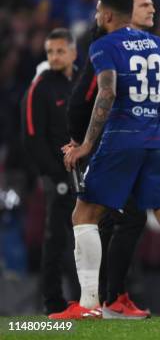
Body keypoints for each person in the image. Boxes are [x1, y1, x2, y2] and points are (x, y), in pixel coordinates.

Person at [57, 0, 160, 320]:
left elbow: (107, 91)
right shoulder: (156, 44)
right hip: (155, 144)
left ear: (109, 14)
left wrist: (86, 144)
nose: (97, 15)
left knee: (83, 216)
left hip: (120, 141)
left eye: (100, 10)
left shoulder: (104, 45)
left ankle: (88, 305)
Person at [65, 0, 157, 319]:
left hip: (124, 145)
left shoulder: (139, 46)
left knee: (122, 219)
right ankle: (103, 299)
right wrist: (80, 141)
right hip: (104, 145)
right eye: (142, 4)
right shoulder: (105, 46)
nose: (150, 9)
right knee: (111, 217)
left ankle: (107, 298)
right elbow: (85, 96)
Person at [21, 28, 79, 315]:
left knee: (90, 236)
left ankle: (90, 298)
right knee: (56, 239)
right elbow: (32, 138)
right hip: (58, 176)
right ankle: (53, 302)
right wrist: (56, 176)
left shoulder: (84, 82)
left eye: (60, 51)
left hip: (86, 172)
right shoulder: (39, 88)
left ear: (73, 52)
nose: (55, 57)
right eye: (50, 52)